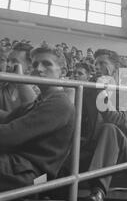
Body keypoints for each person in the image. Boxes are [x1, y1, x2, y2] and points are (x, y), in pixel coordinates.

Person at [78, 49, 127, 201]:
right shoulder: (89, 90)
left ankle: (99, 191)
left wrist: (102, 94)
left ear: (115, 69)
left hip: (126, 148)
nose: (97, 67)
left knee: (109, 128)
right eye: (96, 63)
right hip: (94, 145)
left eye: (102, 63)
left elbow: (119, 121)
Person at [0, 45, 75, 191]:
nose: (39, 69)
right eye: (35, 64)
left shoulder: (60, 103)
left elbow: (11, 135)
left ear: (63, 72)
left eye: (46, 64)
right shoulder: (39, 101)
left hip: (31, 174)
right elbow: (6, 117)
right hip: (16, 166)